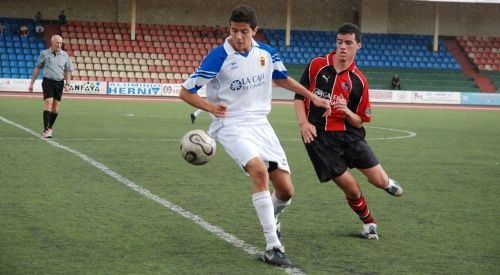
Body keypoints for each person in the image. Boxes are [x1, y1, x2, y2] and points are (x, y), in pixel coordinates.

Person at [179, 5, 330, 268]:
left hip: (261, 124)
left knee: (286, 191)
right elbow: (186, 92)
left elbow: (281, 79)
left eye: (244, 31)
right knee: (258, 170)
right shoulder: (218, 57)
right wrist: (211, 107)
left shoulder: (267, 53)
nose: (238, 36)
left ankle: (272, 218)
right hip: (231, 125)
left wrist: (313, 96)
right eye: (234, 30)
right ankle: (273, 246)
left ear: (255, 31)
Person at [294, 23, 403, 241]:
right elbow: (299, 96)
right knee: (351, 189)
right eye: (339, 42)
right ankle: (369, 222)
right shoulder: (317, 65)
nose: (342, 47)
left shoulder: (359, 81)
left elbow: (361, 120)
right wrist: (304, 123)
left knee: (379, 181)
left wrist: (346, 112)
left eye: (348, 43)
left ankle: (386, 182)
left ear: (358, 46)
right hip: (320, 139)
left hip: (350, 137)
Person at [28, 35, 73, 138]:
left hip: (59, 83)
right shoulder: (44, 54)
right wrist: (31, 84)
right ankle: (46, 129)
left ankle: (50, 127)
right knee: (49, 102)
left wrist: (68, 84)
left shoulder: (65, 55)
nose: (59, 45)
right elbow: (37, 68)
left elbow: (68, 70)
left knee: (56, 108)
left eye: (60, 43)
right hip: (48, 81)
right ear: (52, 43)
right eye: (57, 42)